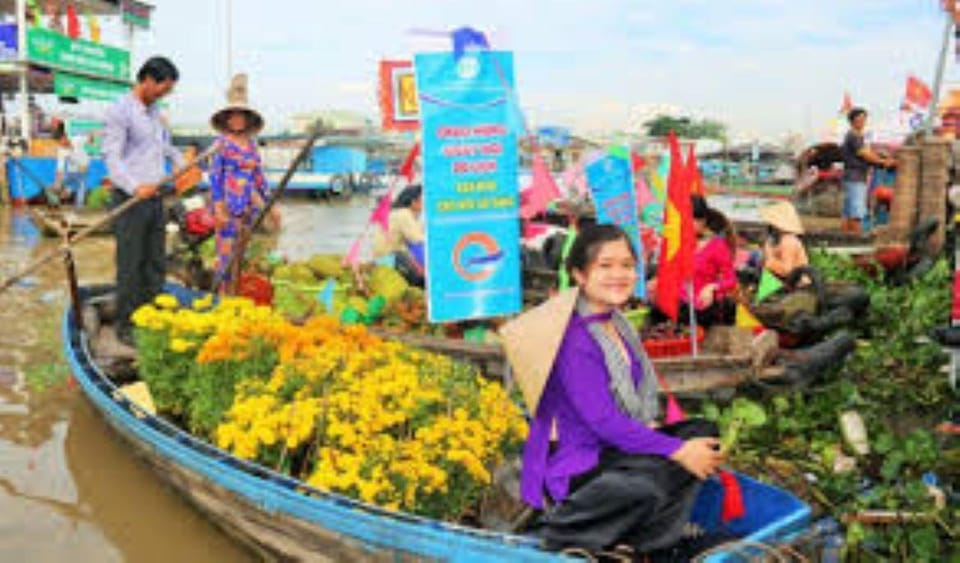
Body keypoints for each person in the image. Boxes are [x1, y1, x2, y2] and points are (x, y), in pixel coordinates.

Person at [501, 224, 727, 558]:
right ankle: (571, 530)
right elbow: (604, 422)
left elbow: (635, 411)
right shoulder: (574, 340)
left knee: (704, 433)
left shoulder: (618, 323)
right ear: (580, 274)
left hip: (612, 449)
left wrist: (670, 441)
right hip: (577, 460)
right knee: (645, 488)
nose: (619, 275)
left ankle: (631, 534)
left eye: (626, 265)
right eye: (605, 266)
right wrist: (677, 450)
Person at [102, 56, 183, 345]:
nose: (165, 94)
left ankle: (153, 318)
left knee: (155, 262)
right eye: (163, 88)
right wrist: (135, 187)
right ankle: (126, 325)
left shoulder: (155, 112)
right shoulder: (119, 111)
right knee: (131, 264)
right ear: (147, 80)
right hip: (130, 199)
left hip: (155, 197)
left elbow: (163, 146)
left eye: (169, 90)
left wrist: (180, 161)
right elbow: (112, 157)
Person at [209, 73, 277, 293]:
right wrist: (218, 207)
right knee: (225, 256)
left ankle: (236, 295)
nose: (237, 120)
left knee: (241, 254)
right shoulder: (221, 144)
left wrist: (270, 204)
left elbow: (259, 179)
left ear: (248, 120)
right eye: (233, 116)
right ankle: (222, 299)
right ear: (227, 120)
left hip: (247, 207)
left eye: (241, 116)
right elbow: (215, 178)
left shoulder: (251, 146)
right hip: (227, 207)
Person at [841, 108, 897, 234]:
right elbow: (865, 155)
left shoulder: (858, 137)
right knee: (856, 212)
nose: (862, 122)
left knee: (849, 211)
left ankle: (846, 238)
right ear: (852, 121)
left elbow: (869, 152)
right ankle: (855, 240)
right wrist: (884, 162)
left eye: (864, 119)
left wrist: (882, 157)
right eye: (859, 119)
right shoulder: (853, 136)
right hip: (855, 177)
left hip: (853, 177)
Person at [686, 195, 738, 327]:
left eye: (691, 220)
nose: (685, 224)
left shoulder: (717, 245)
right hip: (681, 302)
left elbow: (731, 280)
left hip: (703, 305)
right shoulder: (680, 245)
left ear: (702, 221)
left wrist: (712, 287)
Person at [372, 184, 425, 285]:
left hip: (386, 259)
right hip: (390, 260)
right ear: (414, 202)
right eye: (423, 199)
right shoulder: (404, 214)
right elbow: (418, 240)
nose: (425, 202)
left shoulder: (398, 212)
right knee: (424, 280)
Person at [760, 201, 809, 279]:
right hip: (779, 281)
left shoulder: (788, 241)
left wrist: (769, 260)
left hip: (792, 285)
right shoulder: (779, 239)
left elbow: (787, 270)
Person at [52, 121, 90, 207]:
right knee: (60, 184)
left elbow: (91, 138)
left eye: (60, 141)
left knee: (81, 187)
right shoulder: (61, 150)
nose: (60, 144)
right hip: (71, 171)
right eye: (58, 143)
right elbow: (60, 168)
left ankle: (79, 207)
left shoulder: (77, 139)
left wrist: (89, 140)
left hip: (83, 168)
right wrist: (57, 182)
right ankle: (65, 194)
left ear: (65, 137)